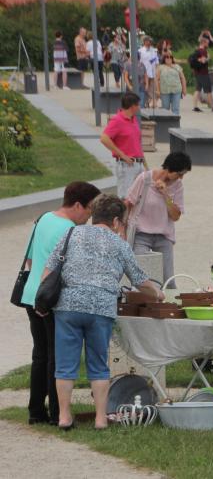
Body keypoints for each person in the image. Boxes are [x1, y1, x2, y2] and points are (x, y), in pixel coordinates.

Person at [42, 195, 161, 430]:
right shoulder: (119, 244)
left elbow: (48, 272)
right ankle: (100, 419)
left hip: (68, 306)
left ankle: (64, 417)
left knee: (65, 366)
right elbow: (139, 280)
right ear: (116, 221)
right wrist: (157, 293)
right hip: (101, 308)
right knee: (98, 365)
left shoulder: (70, 234)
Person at [17, 182, 102, 426]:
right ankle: (57, 413)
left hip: (33, 294)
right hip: (54, 300)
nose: (89, 216)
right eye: (89, 209)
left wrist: (41, 288)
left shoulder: (44, 218)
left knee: (40, 355)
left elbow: (32, 259)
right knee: (58, 356)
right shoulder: (70, 230)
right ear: (77, 205)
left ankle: (36, 410)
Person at [125, 152, 190, 288]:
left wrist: (166, 194)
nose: (181, 178)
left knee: (168, 280)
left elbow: (175, 216)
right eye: (179, 174)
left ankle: (170, 306)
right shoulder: (145, 179)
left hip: (163, 237)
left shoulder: (177, 186)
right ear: (169, 169)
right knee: (143, 278)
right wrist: (122, 229)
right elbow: (128, 203)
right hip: (141, 235)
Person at [100, 92, 146, 198]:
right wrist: (122, 155)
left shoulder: (133, 120)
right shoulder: (117, 120)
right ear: (132, 106)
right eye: (138, 105)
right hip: (127, 165)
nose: (139, 107)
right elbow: (104, 138)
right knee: (126, 197)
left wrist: (144, 163)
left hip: (138, 164)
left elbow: (136, 143)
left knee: (140, 196)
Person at [189, 37, 213, 112]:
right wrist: (208, 58)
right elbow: (203, 61)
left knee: (197, 89)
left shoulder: (197, 50)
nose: (208, 44)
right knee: (208, 90)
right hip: (203, 73)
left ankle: (195, 106)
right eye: (207, 43)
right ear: (203, 43)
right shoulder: (203, 51)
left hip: (197, 72)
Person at [139, 37, 159, 107]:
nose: (149, 43)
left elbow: (156, 62)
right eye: (148, 41)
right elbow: (139, 62)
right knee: (145, 88)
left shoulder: (154, 50)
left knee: (152, 89)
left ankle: (149, 101)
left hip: (152, 72)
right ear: (144, 42)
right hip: (144, 73)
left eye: (150, 41)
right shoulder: (140, 51)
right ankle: (145, 102)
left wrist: (157, 71)